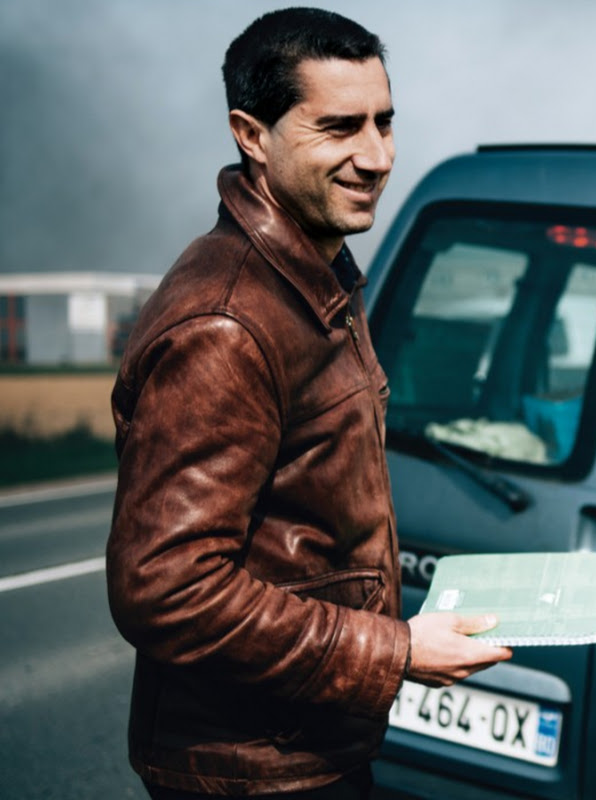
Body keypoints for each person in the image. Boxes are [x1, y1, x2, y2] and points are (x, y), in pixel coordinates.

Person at [105, 8, 512, 800]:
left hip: (307, 743)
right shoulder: (227, 322)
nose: (377, 156)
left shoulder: (316, 278)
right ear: (251, 135)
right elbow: (166, 586)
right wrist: (390, 652)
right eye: (339, 128)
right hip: (253, 770)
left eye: (384, 123)